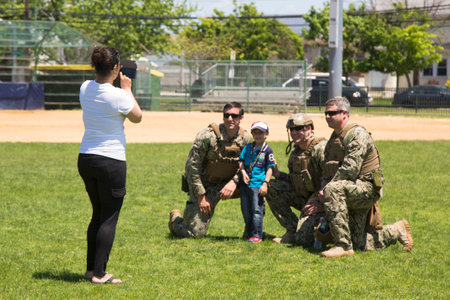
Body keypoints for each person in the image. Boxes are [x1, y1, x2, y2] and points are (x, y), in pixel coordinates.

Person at [318, 96, 413, 258]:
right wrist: (321, 190)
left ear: (344, 113)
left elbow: (350, 168)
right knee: (358, 242)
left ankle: (343, 247)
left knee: (332, 189)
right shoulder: (334, 139)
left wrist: (327, 189)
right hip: (351, 188)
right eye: (326, 113)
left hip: (366, 189)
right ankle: (396, 231)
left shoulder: (357, 134)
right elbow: (327, 170)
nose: (327, 116)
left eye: (332, 113)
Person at [77, 46, 142, 284]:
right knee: (109, 218)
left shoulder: (85, 87)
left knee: (97, 213)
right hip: (111, 161)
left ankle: (89, 269)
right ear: (116, 68)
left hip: (86, 158)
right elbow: (137, 116)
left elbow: (101, 92)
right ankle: (100, 274)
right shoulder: (120, 96)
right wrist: (127, 90)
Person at [168, 102, 252, 238]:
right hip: (206, 186)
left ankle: (252, 231)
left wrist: (235, 181)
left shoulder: (246, 140)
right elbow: (192, 167)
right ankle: (175, 220)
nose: (230, 119)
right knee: (194, 234)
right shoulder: (207, 137)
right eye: (227, 115)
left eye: (234, 116)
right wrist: (201, 196)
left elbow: (249, 167)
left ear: (241, 117)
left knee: (257, 187)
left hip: (231, 185)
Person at [265, 113, 328, 247]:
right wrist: (279, 174)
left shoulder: (320, 149)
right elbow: (295, 181)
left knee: (303, 240)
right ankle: (292, 230)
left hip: (322, 200)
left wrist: (321, 202)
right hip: (305, 198)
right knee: (271, 186)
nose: (294, 132)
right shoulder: (296, 152)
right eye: (291, 129)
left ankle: (326, 226)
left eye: (299, 128)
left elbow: (334, 179)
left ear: (309, 129)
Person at [239, 121, 275, 243]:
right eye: (255, 132)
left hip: (258, 185)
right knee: (246, 211)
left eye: (261, 132)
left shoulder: (268, 151)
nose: (258, 135)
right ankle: (249, 233)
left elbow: (270, 168)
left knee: (256, 210)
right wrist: (243, 173)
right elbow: (241, 161)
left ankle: (257, 235)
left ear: (266, 134)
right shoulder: (247, 147)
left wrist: (265, 183)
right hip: (245, 184)